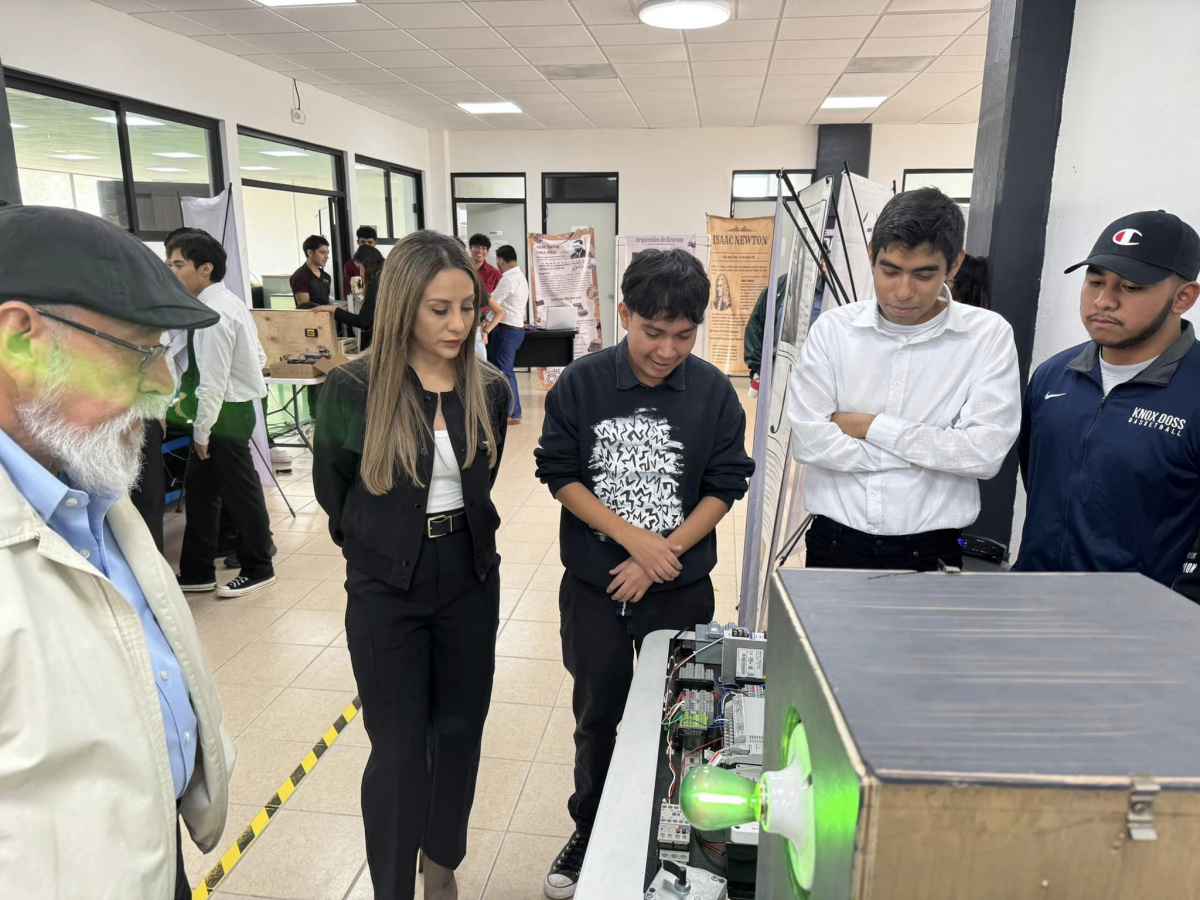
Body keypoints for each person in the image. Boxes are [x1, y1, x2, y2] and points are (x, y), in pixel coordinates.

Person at [0, 205, 235, 899]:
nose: (164, 385)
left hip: (154, 856)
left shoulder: (92, 489)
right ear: (19, 340)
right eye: (139, 351)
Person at [534, 248, 755, 899]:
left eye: (683, 336)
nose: (666, 350)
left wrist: (665, 554)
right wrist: (635, 541)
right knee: (597, 714)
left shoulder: (712, 391)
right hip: (595, 590)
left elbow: (725, 484)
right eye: (653, 332)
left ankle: (677, 839)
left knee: (686, 720)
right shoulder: (582, 383)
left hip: (679, 589)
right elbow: (559, 473)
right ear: (624, 313)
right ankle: (590, 827)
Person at [313, 230, 510, 900]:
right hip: (385, 583)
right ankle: (392, 886)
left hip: (469, 575)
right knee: (397, 748)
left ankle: (441, 860)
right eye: (439, 309)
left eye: (468, 308)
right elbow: (335, 489)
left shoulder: (488, 388)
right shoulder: (352, 387)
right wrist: (381, 542)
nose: (458, 325)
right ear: (402, 307)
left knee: (459, 731)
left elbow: (482, 481)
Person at [787, 187, 1021, 571]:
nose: (903, 292)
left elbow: (983, 454)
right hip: (835, 543)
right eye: (890, 270)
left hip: (932, 551)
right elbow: (810, 443)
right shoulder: (833, 330)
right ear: (871, 255)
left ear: (954, 265)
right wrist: (925, 456)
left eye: (924, 274)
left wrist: (870, 426)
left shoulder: (987, 336)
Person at [1015, 210, 1200, 591]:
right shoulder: (1052, 375)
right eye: (1095, 281)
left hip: (1139, 616)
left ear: (1183, 297)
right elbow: (1039, 482)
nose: (1103, 301)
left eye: (1131, 287)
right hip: (1033, 598)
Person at [168, 230, 277, 598]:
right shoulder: (226, 302)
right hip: (228, 409)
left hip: (223, 414)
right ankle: (197, 572)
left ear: (206, 269)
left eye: (178, 265)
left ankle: (259, 567)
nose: (171, 272)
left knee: (242, 494)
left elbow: (212, 382)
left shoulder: (214, 313)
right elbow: (258, 356)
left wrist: (202, 432)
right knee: (201, 494)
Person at [485, 244, 529, 424]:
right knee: (504, 371)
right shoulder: (520, 277)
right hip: (514, 329)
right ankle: (511, 411)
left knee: (504, 372)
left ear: (501, 260)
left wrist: (485, 320)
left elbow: (493, 301)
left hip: (507, 329)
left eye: (497, 260)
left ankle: (513, 413)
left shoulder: (509, 278)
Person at [327, 243, 384, 351]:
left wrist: (335, 310)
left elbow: (363, 321)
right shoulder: (385, 277)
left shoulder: (376, 283)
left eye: (359, 268)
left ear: (366, 263)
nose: (360, 273)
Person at [290, 234, 334, 309]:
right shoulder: (300, 276)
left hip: (325, 315)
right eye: (322, 252)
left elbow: (325, 302)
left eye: (327, 253)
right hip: (310, 316)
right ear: (310, 253)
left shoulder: (326, 276)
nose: (326, 257)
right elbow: (305, 308)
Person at [344, 224, 377, 296]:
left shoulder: (382, 264)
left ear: (375, 243)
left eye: (370, 242)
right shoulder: (350, 265)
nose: (366, 246)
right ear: (358, 242)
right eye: (363, 242)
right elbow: (350, 294)